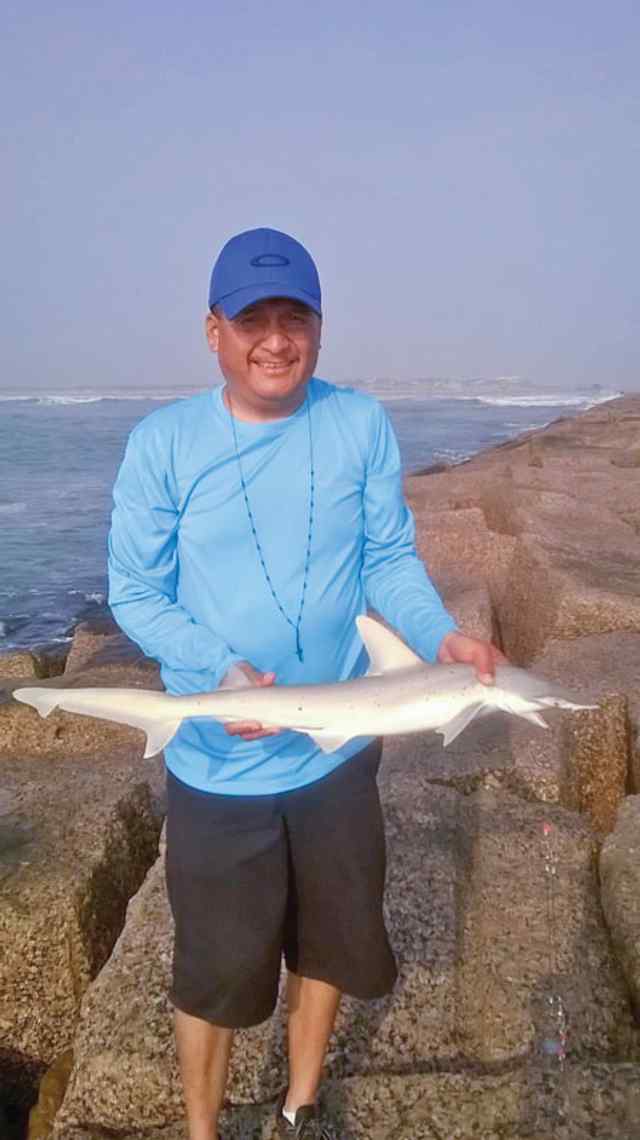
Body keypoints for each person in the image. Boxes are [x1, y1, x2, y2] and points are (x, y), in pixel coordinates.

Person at [107, 227, 505, 1140]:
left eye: (296, 318)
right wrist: (220, 672)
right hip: (219, 763)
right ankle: (203, 1132)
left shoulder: (359, 421)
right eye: (254, 319)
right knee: (212, 975)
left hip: (337, 755)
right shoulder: (164, 443)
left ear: (320, 330)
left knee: (329, 942)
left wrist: (444, 633)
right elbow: (135, 591)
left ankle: (297, 1105)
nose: (275, 339)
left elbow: (387, 558)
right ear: (214, 330)